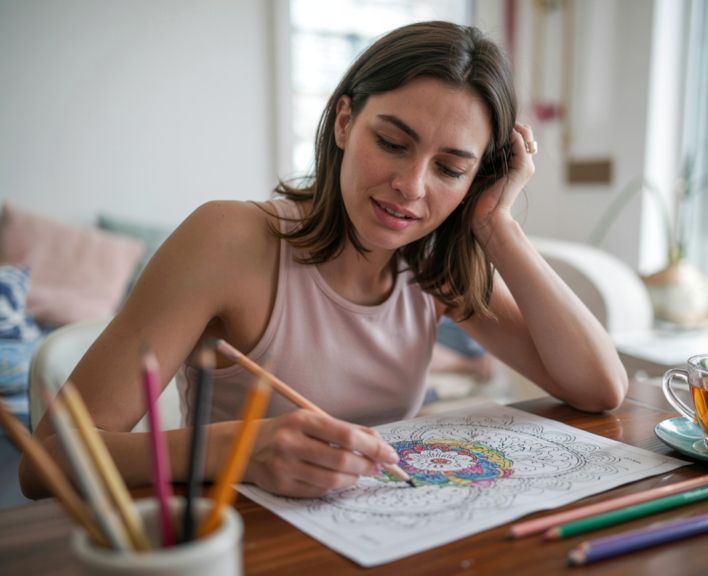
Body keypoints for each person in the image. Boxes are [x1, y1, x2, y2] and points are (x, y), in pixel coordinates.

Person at [20, 21, 627, 500]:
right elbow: (43, 461)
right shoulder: (230, 239)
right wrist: (243, 452)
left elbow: (601, 388)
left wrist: (495, 225)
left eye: (450, 168)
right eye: (391, 142)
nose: (412, 187)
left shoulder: (432, 263)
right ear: (343, 122)